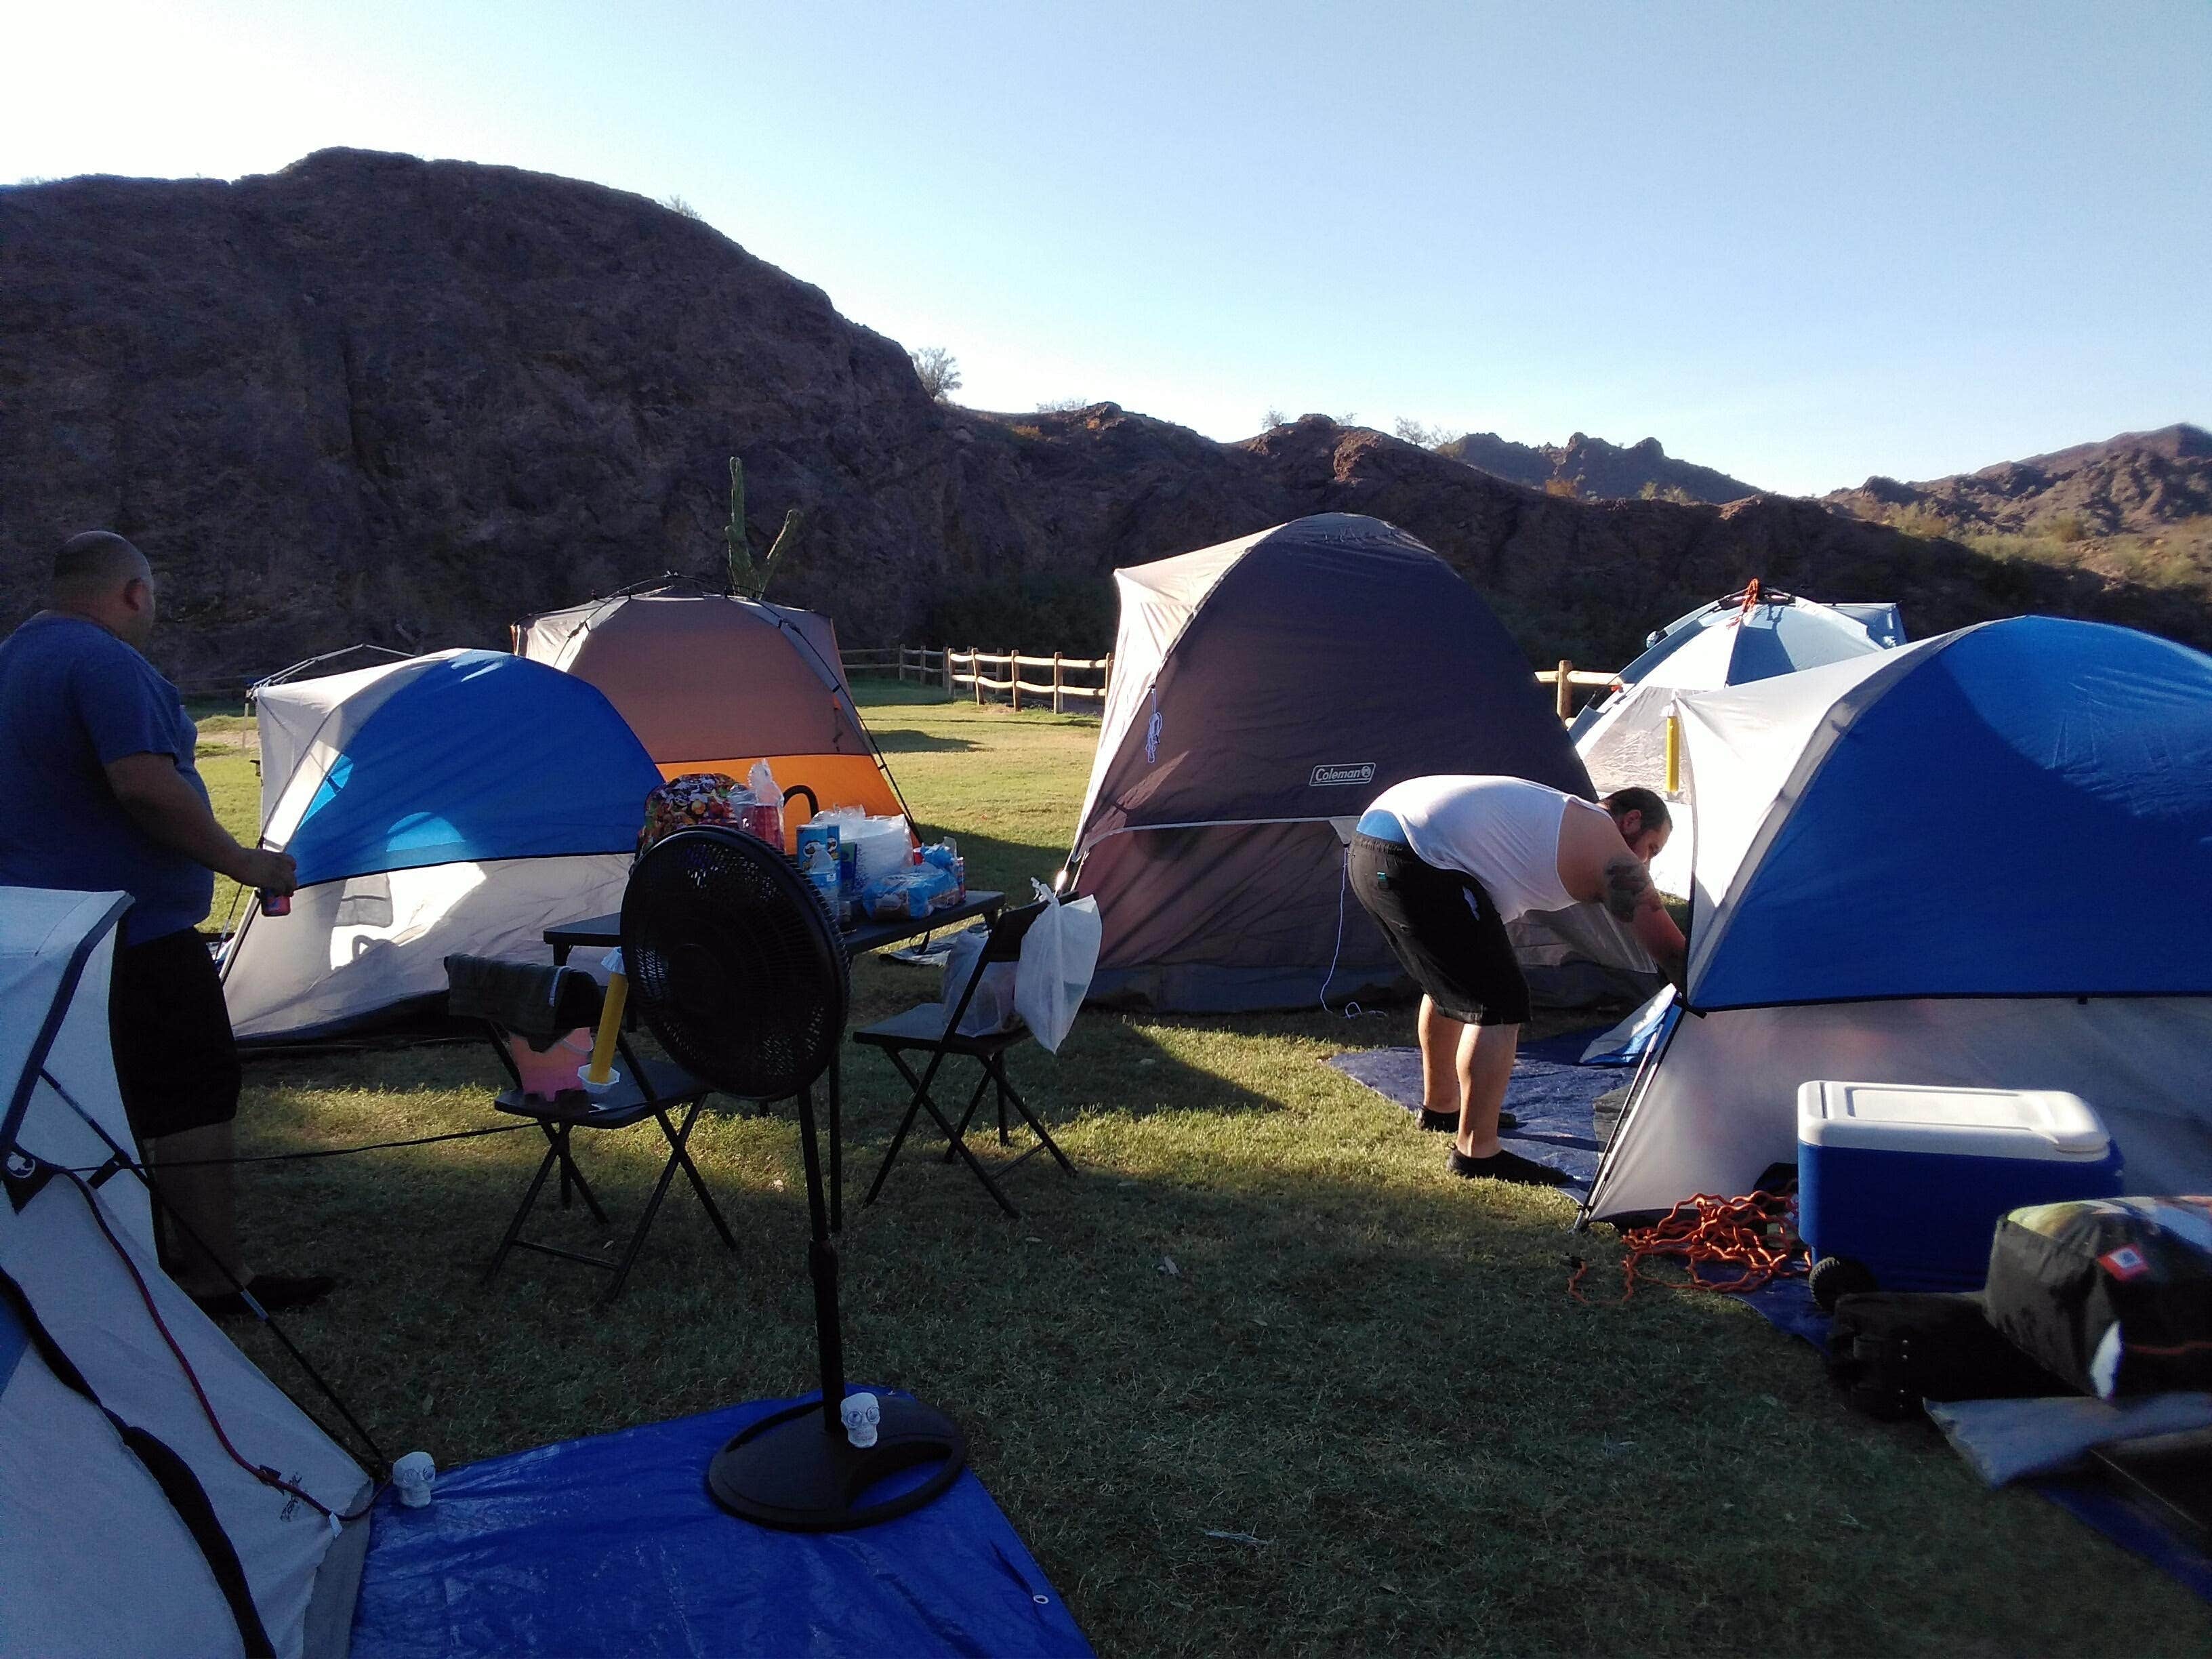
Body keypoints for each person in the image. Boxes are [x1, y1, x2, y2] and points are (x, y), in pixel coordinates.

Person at [0, 531, 331, 1313]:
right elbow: (144, 787)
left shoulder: (13, 661)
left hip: (40, 938)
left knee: (94, 1098)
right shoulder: (105, 662)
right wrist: (243, 864)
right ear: (134, 593)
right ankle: (215, 1279)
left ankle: (113, 1268)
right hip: (133, 938)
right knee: (189, 1096)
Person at [1349, 776, 1686, 1187]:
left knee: (1451, 984)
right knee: (1500, 1003)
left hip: (1371, 844)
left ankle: (1442, 1107)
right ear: (1632, 820)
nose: (1646, 864)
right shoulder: (1602, 840)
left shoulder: (1552, 819)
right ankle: (1478, 1150)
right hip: (1418, 854)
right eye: (1651, 848)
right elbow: (1670, 950)